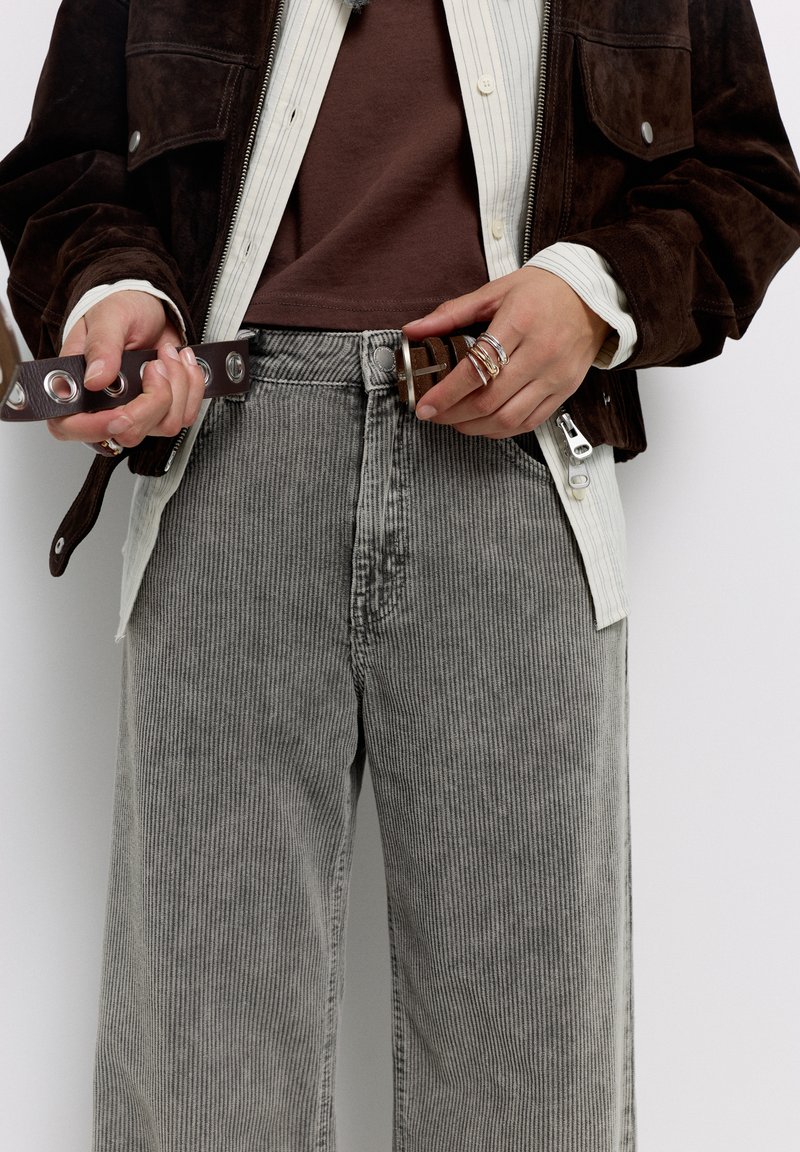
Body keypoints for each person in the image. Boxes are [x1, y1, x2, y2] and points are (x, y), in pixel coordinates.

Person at [0, 1, 798, 1149]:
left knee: (524, 1070)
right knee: (204, 1049)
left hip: (515, 464)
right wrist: (114, 291)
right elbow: (68, 171)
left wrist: (592, 292)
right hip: (232, 455)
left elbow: (744, 174)